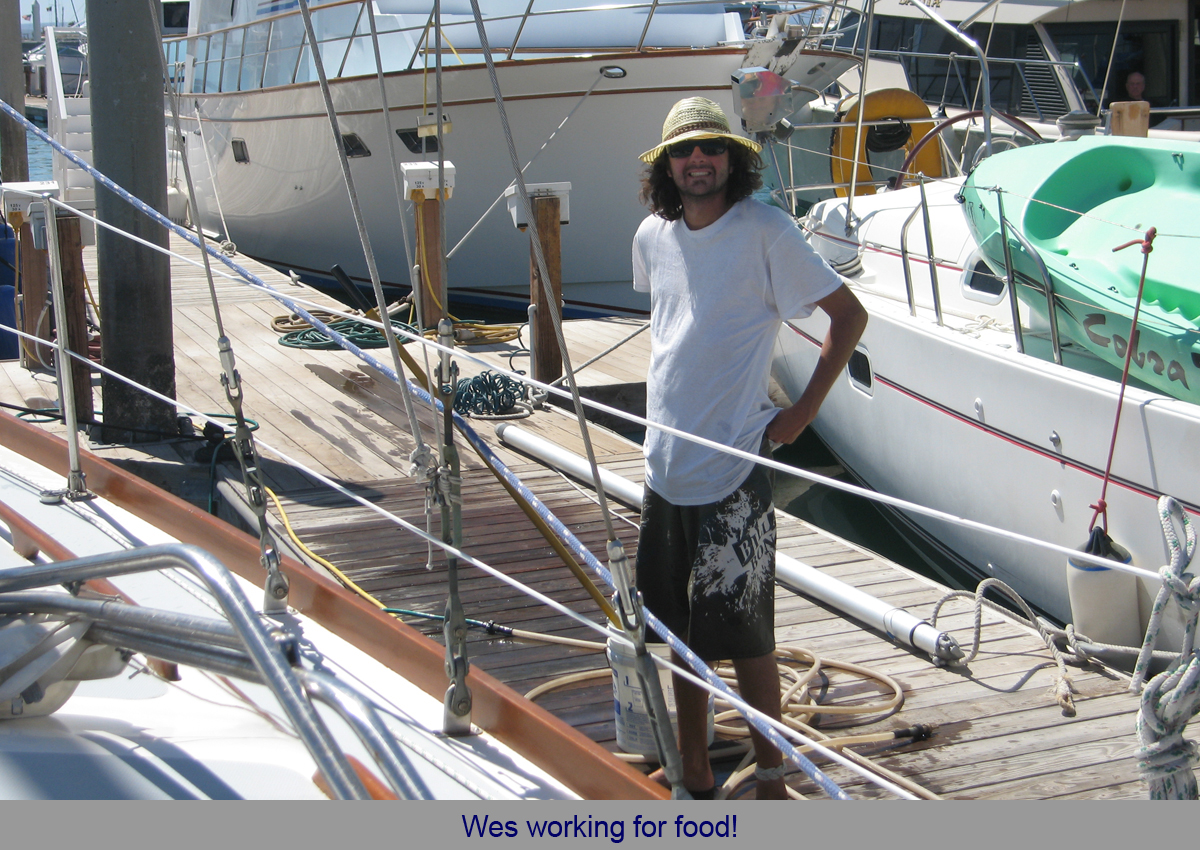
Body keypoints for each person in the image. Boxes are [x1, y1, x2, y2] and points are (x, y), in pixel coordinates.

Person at [631, 97, 867, 800]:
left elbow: (849, 316)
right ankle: (694, 763)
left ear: (733, 160)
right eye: (682, 151)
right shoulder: (651, 236)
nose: (697, 160)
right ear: (666, 168)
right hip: (663, 468)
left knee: (747, 636)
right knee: (677, 630)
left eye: (711, 148)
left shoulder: (766, 231)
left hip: (733, 468)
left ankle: (772, 778)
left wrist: (803, 410)